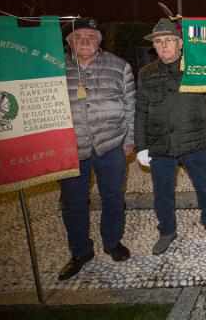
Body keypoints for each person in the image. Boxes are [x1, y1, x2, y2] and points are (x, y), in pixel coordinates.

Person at [135, 18, 206, 255]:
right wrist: (141, 146)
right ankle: (166, 231)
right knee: (162, 193)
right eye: (159, 41)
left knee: (204, 187)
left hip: (194, 142)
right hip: (160, 144)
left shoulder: (196, 68)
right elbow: (141, 111)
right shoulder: (146, 73)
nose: (164, 45)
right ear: (154, 46)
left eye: (169, 40)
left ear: (180, 43)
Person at [58, 18, 135, 281]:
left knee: (113, 196)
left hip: (111, 143)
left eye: (91, 36)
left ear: (99, 41)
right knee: (73, 202)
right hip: (70, 148)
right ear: (69, 42)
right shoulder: (55, 68)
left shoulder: (119, 66)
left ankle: (112, 242)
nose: (86, 41)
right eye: (79, 37)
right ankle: (80, 251)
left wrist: (129, 140)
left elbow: (130, 106)